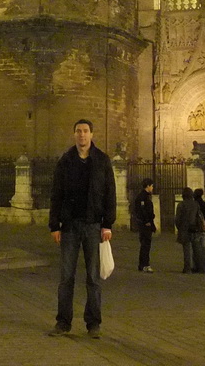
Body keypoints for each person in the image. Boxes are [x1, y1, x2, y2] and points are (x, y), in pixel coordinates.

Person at [48, 118, 116, 338]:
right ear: (74, 134)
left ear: (92, 134)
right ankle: (63, 322)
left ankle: (93, 323)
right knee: (66, 277)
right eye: (78, 131)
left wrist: (107, 224)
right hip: (69, 226)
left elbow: (110, 194)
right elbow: (56, 194)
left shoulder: (102, 161)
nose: (82, 135)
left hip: (93, 226)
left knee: (93, 278)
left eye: (86, 131)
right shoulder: (65, 161)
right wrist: (54, 225)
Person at [174, 187, 205, 274]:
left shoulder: (181, 205)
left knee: (186, 250)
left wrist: (179, 228)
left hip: (184, 229)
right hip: (195, 229)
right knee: (197, 249)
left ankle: (187, 268)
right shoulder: (195, 204)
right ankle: (201, 268)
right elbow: (198, 216)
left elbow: (177, 219)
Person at [133, 178, 156, 272]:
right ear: (148, 186)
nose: (152, 188)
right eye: (152, 186)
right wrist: (147, 221)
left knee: (145, 245)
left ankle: (143, 264)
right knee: (146, 245)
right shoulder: (143, 197)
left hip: (145, 223)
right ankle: (144, 264)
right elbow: (142, 211)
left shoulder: (143, 196)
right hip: (145, 224)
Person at [193, 188, 205, 273]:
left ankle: (196, 266)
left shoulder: (194, 205)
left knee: (195, 248)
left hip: (196, 229)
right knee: (204, 248)